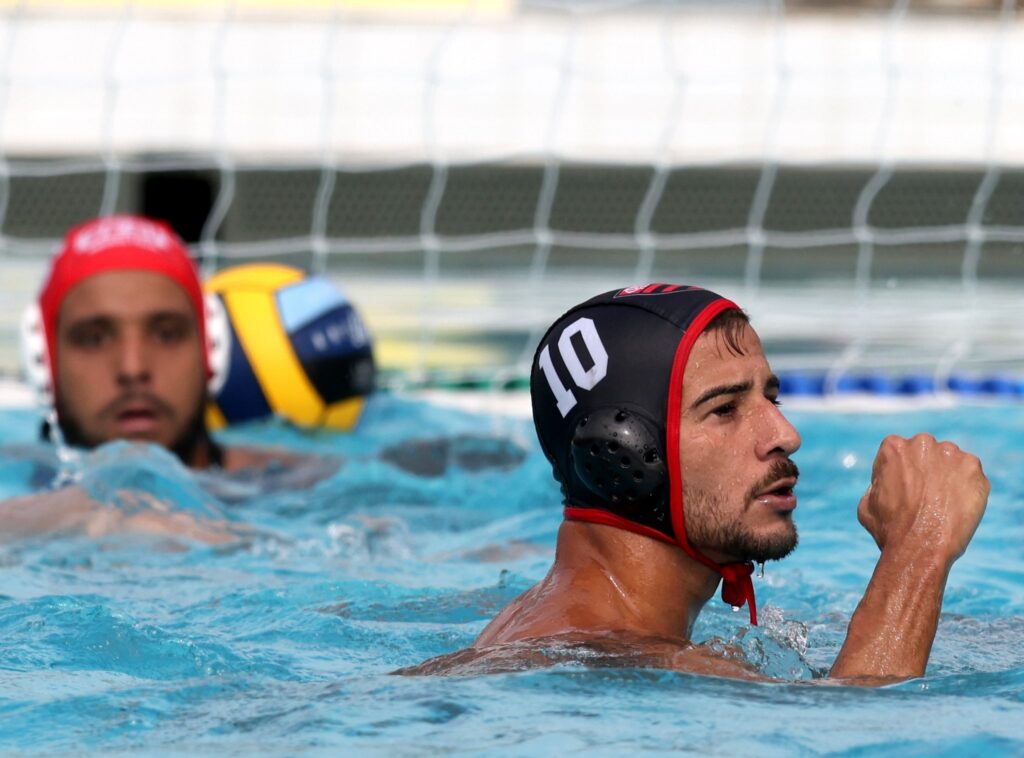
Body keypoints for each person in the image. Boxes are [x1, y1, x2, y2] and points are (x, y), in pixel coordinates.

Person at [403, 283, 990, 684]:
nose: (784, 434)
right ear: (622, 455)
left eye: (771, 396)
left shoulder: (559, 626)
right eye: (725, 409)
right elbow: (859, 735)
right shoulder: (623, 661)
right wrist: (920, 547)